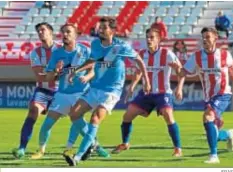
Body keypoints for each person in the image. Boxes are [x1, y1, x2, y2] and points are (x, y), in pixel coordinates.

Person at [62, 17, 150, 166]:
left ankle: (77, 157)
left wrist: (146, 81)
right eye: (99, 27)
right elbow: (91, 61)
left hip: (111, 91)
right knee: (74, 114)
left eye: (103, 27)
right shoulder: (95, 44)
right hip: (95, 88)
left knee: (95, 119)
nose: (100, 30)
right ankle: (92, 143)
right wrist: (75, 71)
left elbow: (139, 61)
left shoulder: (121, 46)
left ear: (112, 31)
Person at [170, 27, 233, 164]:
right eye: (203, 37)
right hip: (208, 97)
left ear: (215, 38)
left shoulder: (224, 55)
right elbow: (184, 73)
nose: (205, 39)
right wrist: (177, 70)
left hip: (223, 94)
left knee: (207, 116)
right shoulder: (197, 56)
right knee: (212, 127)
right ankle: (227, 134)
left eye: (208, 37)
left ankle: (214, 156)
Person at [30, 23, 108, 160]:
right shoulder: (57, 54)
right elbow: (48, 78)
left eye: (68, 32)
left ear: (76, 35)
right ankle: (41, 150)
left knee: (78, 121)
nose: (65, 35)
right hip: (62, 94)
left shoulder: (85, 51)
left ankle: (96, 146)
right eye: (63, 32)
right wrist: (56, 71)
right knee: (46, 125)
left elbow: (93, 71)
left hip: (81, 94)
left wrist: (87, 77)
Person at [111, 28, 184, 157]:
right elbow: (139, 71)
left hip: (163, 93)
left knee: (168, 115)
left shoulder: (167, 54)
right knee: (127, 116)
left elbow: (180, 71)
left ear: (158, 40)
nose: (149, 40)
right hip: (146, 93)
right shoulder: (142, 54)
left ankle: (177, 148)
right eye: (147, 37)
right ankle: (125, 143)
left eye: (152, 37)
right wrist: (132, 86)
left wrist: (179, 87)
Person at [12, 22, 59, 159]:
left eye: (43, 30)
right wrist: (56, 73)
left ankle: (94, 145)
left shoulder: (63, 49)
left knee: (77, 115)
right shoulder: (35, 53)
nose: (40, 33)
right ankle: (22, 148)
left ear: (50, 32)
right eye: (38, 31)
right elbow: (39, 76)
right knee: (33, 110)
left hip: (62, 92)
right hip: (43, 90)